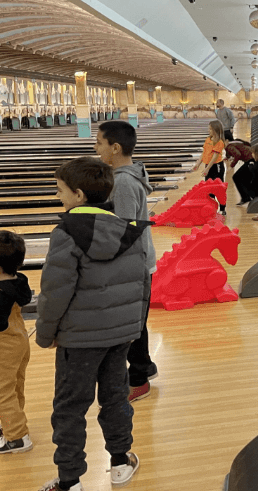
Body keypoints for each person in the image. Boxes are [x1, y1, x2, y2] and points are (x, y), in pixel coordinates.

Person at [36, 157, 149, 491]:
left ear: (79, 195)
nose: (59, 197)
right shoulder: (129, 230)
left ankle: (70, 480)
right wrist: (134, 328)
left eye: (61, 191)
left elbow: (55, 291)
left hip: (79, 341)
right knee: (115, 397)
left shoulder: (66, 233)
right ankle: (119, 463)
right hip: (119, 336)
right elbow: (143, 284)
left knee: (70, 407)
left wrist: (45, 334)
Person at [95, 121, 159, 403]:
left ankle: (139, 380)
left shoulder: (122, 182)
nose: (96, 148)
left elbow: (123, 232)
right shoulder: (130, 174)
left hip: (134, 264)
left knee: (131, 325)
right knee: (137, 321)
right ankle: (145, 366)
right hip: (141, 260)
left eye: (99, 143)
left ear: (115, 147)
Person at [0, 230, 33, 454]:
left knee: (2, 391)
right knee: (14, 385)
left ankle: (17, 437)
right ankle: (11, 423)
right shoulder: (18, 281)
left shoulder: (1, 293)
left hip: (4, 345)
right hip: (19, 340)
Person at [192, 120, 227, 216]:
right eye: (209, 128)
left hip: (217, 166)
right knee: (208, 189)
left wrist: (207, 169)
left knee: (219, 188)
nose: (209, 130)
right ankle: (211, 208)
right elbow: (204, 153)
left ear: (216, 130)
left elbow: (215, 157)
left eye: (210, 129)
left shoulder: (219, 142)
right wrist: (198, 164)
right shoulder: (208, 139)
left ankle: (223, 209)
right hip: (208, 166)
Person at [224, 139, 255, 206]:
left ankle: (246, 198)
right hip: (253, 159)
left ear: (226, 141)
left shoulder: (229, 146)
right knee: (245, 179)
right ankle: (252, 196)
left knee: (236, 177)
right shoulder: (234, 142)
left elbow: (238, 155)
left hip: (250, 160)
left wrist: (231, 166)